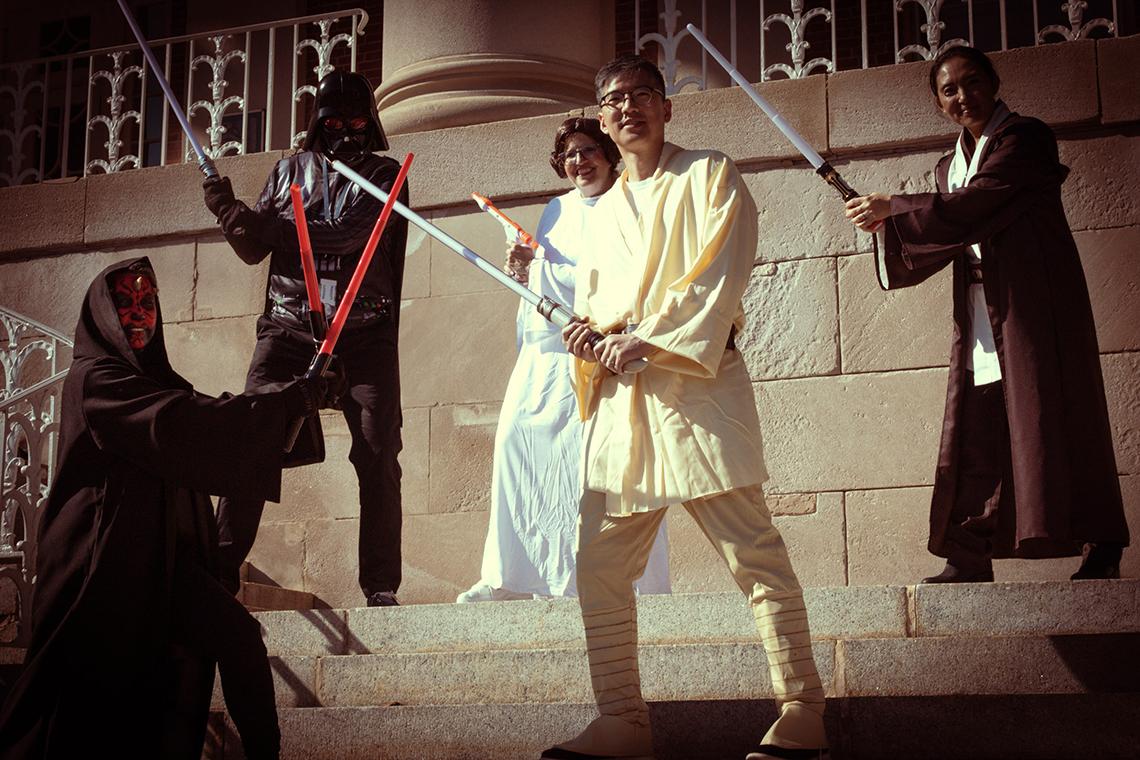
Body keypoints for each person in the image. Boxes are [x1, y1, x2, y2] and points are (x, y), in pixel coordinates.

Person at [547, 55, 829, 760]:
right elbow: (598, 307)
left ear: (666, 106)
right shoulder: (602, 208)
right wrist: (586, 336)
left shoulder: (711, 173)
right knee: (600, 566)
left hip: (697, 394)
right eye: (614, 100)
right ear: (603, 116)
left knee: (754, 554)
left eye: (642, 94)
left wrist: (643, 338)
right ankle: (622, 719)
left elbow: (718, 274)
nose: (627, 108)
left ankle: (803, 708)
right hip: (623, 407)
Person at [0, 258, 332, 759]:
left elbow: (219, 439)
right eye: (125, 303)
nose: (139, 314)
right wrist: (284, 403)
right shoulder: (96, 382)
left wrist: (303, 402)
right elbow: (184, 426)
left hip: (163, 566)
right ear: (103, 315)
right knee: (77, 711)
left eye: (148, 302)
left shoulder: (161, 383)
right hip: (101, 573)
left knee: (239, 636)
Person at [845, 45, 1129, 583]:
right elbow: (945, 231)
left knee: (1063, 416)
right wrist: (887, 224)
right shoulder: (948, 164)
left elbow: (981, 201)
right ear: (937, 102)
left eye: (972, 83)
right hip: (980, 308)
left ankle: (1104, 544)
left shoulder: (1025, 139)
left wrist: (897, 209)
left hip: (1035, 304)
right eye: (949, 90)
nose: (962, 97)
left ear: (994, 83)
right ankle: (969, 552)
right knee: (977, 426)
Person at [201, 70, 409, 606]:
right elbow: (253, 249)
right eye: (334, 122)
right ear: (318, 123)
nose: (345, 133)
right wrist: (229, 213)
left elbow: (346, 233)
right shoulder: (290, 169)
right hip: (290, 328)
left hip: (362, 333)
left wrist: (258, 223)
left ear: (372, 124)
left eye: (357, 122)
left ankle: (381, 587)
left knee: (379, 451)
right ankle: (219, 570)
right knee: (250, 436)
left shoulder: (386, 176)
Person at [457, 118, 670, 604]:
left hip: (598, 355)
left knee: (590, 473)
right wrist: (521, 265)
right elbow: (539, 282)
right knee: (517, 448)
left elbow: (619, 281)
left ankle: (600, 583)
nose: (580, 161)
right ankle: (510, 577)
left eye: (589, 150)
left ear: (610, 154)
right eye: (571, 154)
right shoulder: (556, 208)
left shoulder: (631, 203)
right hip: (544, 352)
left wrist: (543, 269)